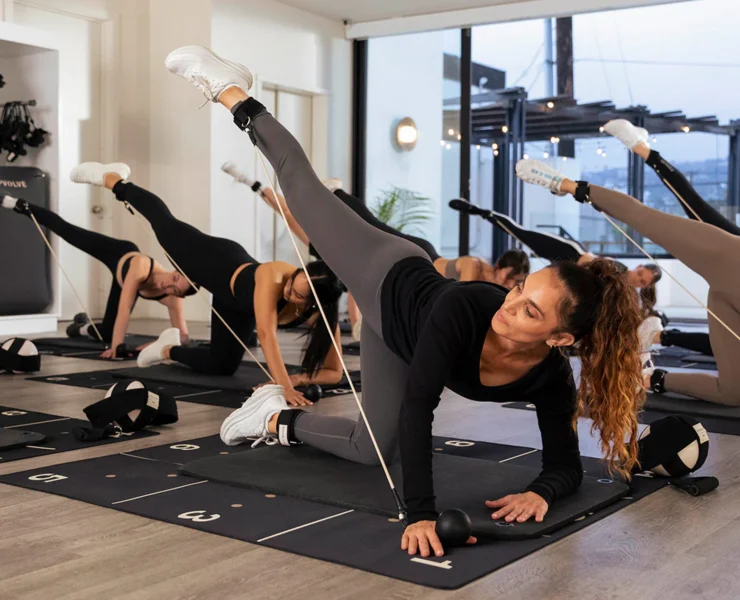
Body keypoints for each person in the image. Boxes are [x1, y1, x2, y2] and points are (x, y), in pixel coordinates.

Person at [165, 45, 646, 557]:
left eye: (530, 310)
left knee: (372, 451)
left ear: (560, 338)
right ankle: (230, 90)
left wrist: (540, 492)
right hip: (384, 272)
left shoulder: (549, 377)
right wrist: (420, 514)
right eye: (521, 290)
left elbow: (566, 466)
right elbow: (421, 407)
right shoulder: (466, 308)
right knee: (300, 186)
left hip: (393, 336)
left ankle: (272, 416)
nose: (510, 304)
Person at [70, 162, 344, 407]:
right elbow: (265, 333)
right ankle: (114, 179)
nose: (289, 292)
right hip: (214, 260)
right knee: (164, 224)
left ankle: (166, 348)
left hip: (233, 303)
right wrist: (282, 387)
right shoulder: (274, 276)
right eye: (293, 285)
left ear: (314, 304)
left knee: (222, 366)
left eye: (297, 297)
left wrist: (295, 379)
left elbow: (335, 373)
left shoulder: (321, 314)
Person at [516, 157, 740, 406]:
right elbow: (644, 218)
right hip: (731, 260)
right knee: (647, 221)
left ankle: (651, 378)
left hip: (728, 303)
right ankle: (566, 184)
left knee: (733, 391)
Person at [221, 163, 530, 288]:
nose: (512, 287)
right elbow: (460, 297)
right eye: (514, 280)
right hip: (415, 254)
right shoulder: (475, 268)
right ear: (505, 269)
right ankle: (336, 193)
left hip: (397, 262)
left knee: (294, 222)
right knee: (364, 223)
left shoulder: (489, 284)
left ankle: (252, 183)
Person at [1, 190, 191, 358]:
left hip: (123, 284)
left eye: (176, 290)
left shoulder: (174, 298)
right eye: (173, 279)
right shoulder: (141, 266)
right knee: (68, 232)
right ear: (175, 270)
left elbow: (182, 337)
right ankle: (17, 204)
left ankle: (81, 327)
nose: (168, 287)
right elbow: (124, 309)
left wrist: (156, 346)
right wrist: (117, 347)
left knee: (107, 333)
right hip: (118, 255)